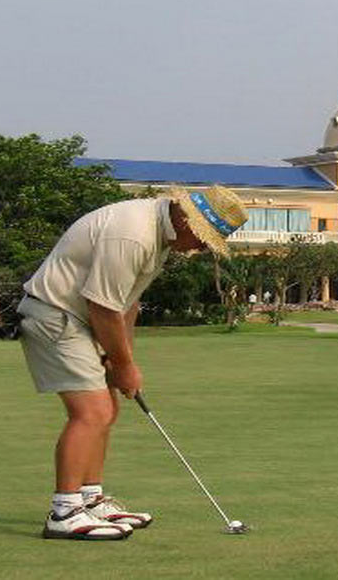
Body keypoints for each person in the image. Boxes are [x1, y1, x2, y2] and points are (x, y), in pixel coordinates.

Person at [16, 185, 247, 540]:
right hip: (55, 315)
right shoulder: (133, 235)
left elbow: (127, 305)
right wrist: (123, 367)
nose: (201, 248)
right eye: (203, 239)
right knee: (92, 412)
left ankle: (90, 500)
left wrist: (122, 359)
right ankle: (64, 512)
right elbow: (103, 306)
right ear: (186, 220)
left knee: (107, 410)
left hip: (80, 319)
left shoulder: (160, 236)